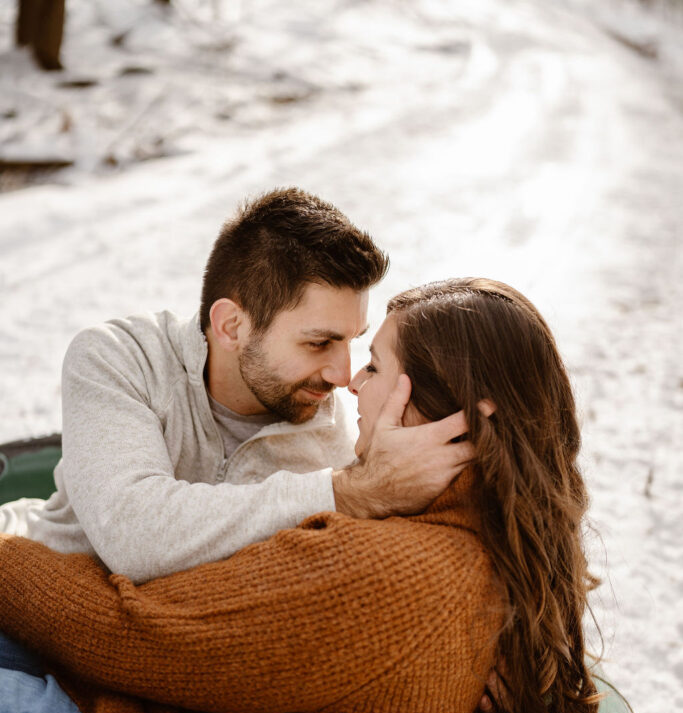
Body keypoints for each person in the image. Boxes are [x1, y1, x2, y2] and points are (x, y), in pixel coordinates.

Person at [0, 278, 659, 713]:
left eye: (375, 365)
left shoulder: (403, 574)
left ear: (461, 416)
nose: (351, 383)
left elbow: (130, 629)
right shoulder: (470, 538)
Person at [0, 188, 471, 582]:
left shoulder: (341, 439)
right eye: (319, 343)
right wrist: (343, 492)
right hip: (26, 584)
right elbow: (132, 534)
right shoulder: (121, 357)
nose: (343, 376)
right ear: (230, 326)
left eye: (351, 342)